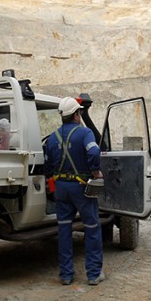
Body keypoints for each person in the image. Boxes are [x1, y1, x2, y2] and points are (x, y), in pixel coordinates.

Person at [44, 97, 105, 286]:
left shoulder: (52, 137)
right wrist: (96, 172)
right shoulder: (85, 133)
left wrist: (54, 187)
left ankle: (66, 275)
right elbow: (94, 153)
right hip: (81, 188)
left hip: (61, 188)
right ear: (77, 114)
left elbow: (47, 168)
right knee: (92, 228)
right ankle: (94, 274)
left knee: (63, 230)